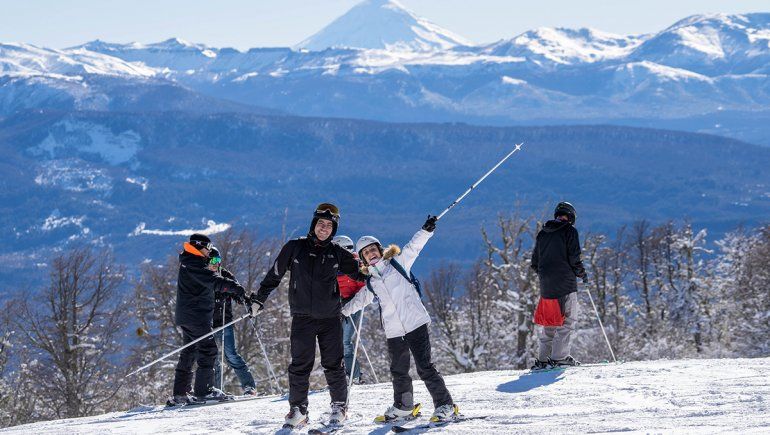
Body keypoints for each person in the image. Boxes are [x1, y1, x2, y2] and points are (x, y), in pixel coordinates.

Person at [250, 203, 364, 427]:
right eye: (321, 224)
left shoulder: (337, 253)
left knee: (334, 365)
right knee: (300, 366)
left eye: (329, 226)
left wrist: (382, 272)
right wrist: (258, 299)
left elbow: (362, 273)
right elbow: (274, 274)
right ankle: (298, 409)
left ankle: (340, 406)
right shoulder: (295, 247)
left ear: (334, 230)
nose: (324, 229)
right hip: (302, 318)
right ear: (314, 224)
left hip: (331, 318)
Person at [342, 215, 460, 423]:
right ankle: (404, 407)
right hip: (394, 332)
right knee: (398, 370)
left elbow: (414, 246)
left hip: (415, 323)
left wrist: (426, 230)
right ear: (363, 259)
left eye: (373, 249)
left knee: (425, 367)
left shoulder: (398, 263)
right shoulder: (372, 283)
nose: (371, 254)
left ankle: (445, 405)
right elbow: (357, 302)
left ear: (380, 250)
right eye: (366, 253)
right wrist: (338, 313)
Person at [168, 233, 247, 406]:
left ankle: (180, 393)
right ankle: (204, 391)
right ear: (198, 246)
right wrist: (237, 289)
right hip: (196, 316)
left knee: (189, 351)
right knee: (208, 349)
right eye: (208, 248)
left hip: (188, 316)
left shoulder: (190, 262)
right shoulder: (193, 263)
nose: (209, 252)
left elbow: (212, 280)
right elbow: (213, 281)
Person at [530, 201, 587, 370]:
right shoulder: (570, 231)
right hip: (565, 284)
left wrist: (546, 276)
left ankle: (543, 359)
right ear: (571, 217)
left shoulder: (543, 234)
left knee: (550, 321)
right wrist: (581, 273)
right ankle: (560, 357)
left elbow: (534, 262)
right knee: (568, 320)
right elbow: (574, 258)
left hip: (546, 285)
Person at [208, 248, 258, 396]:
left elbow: (238, 293)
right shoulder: (203, 276)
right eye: (211, 260)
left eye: (217, 260)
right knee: (213, 358)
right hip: (208, 323)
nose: (214, 264)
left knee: (231, 354)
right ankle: (214, 390)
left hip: (225, 322)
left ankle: (249, 387)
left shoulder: (226, 275)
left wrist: (247, 301)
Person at [332, 235, 366, 384]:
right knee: (335, 342)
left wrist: (352, 299)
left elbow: (362, 285)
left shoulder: (356, 265)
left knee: (345, 341)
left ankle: (353, 376)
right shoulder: (332, 265)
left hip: (352, 306)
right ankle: (346, 374)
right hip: (335, 307)